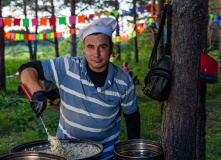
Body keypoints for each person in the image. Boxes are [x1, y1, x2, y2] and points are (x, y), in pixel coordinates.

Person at [18, 17, 140, 160]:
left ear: (111, 48)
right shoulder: (67, 67)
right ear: (83, 48)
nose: (96, 54)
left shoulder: (124, 80)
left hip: (105, 155)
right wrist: (37, 92)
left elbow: (132, 117)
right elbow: (26, 69)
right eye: (90, 47)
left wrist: (133, 152)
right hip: (65, 153)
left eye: (102, 47)